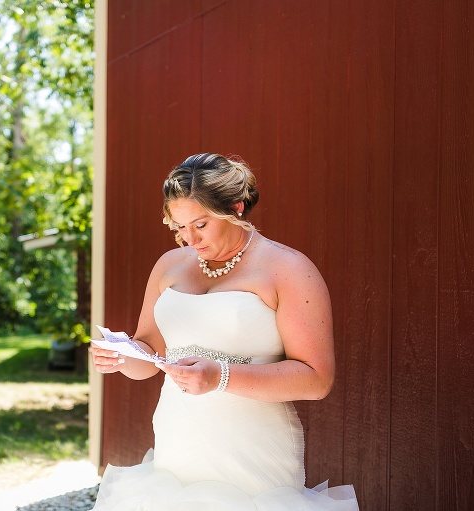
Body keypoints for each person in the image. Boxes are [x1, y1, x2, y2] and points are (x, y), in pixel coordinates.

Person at [90, 153, 359, 510]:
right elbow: (149, 357)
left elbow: (316, 379)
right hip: (177, 443)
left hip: (253, 455)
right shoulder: (169, 266)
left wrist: (220, 376)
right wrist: (124, 357)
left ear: (235, 207)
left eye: (200, 225)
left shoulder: (288, 269)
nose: (188, 238)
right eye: (179, 227)